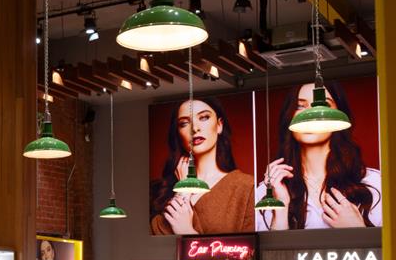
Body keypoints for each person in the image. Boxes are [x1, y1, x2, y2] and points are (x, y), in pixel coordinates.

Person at [257, 81, 382, 230]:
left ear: (340, 115)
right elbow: (272, 253)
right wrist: (281, 211)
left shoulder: (375, 183)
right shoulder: (266, 193)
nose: (310, 115)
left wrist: (358, 230)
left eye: (323, 105)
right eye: (300, 106)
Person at [151, 97, 255, 235]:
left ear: (219, 125)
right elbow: (155, 236)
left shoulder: (246, 186)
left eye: (204, 117)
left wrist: (187, 231)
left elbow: (248, 250)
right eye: (184, 123)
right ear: (178, 133)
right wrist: (183, 190)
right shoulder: (159, 189)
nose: (194, 128)